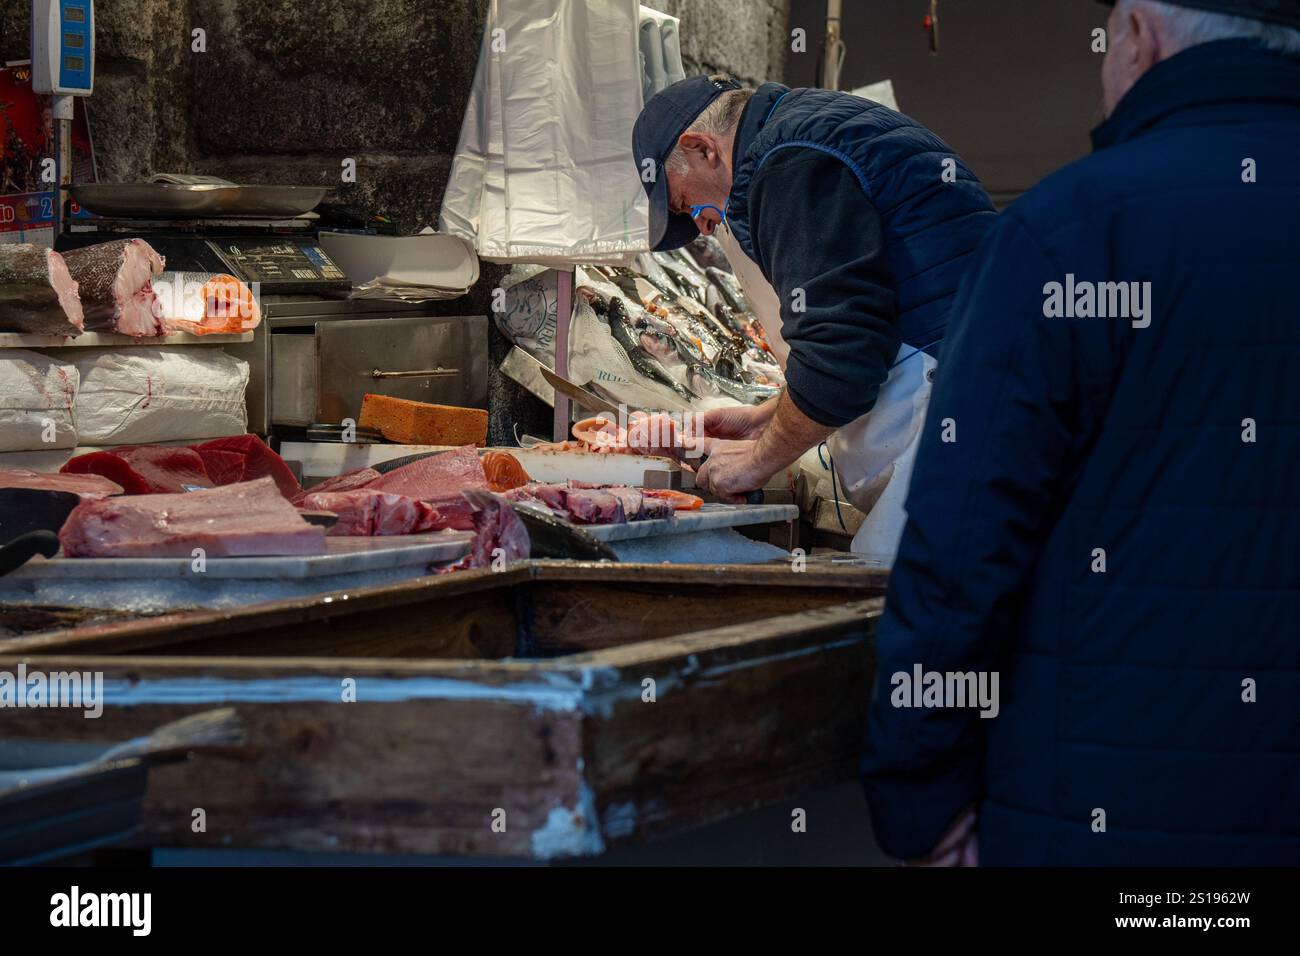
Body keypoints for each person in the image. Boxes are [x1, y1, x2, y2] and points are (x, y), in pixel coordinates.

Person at [861, 0, 1300, 866]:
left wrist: (919, 790)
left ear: (1136, 35)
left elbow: (964, 543)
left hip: (1106, 822)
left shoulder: (1070, 230)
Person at [632, 75, 995, 556]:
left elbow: (843, 358)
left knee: (916, 610)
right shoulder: (807, 128)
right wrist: (768, 418)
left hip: (961, 417)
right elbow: (861, 321)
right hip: (983, 396)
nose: (702, 222)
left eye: (687, 203)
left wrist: (758, 460)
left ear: (702, 149)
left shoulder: (786, 163)